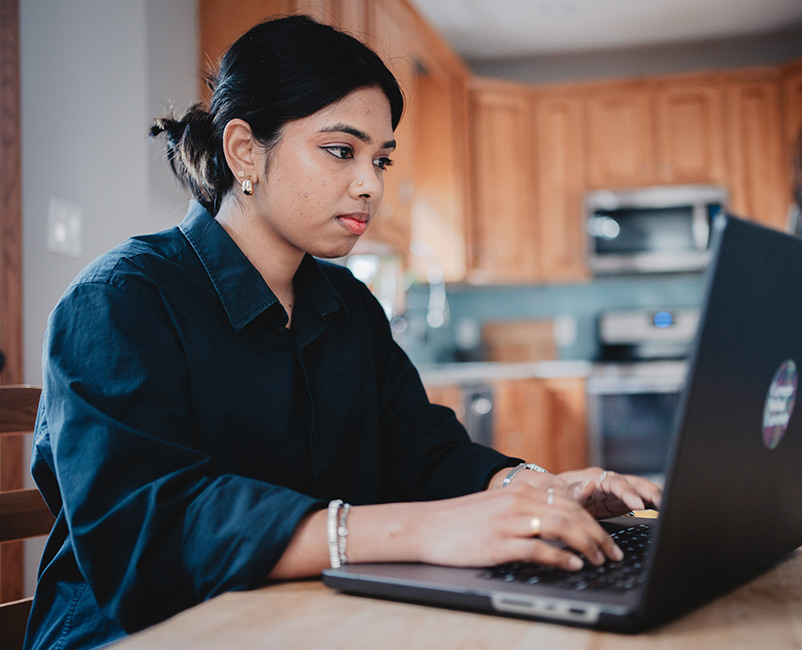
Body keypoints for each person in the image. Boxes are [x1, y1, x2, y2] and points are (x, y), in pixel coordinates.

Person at [24, 15, 661, 650]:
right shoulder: (119, 301)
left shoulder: (346, 303)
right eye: (340, 150)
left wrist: (534, 486)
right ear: (244, 150)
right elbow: (147, 530)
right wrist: (420, 531)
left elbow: (417, 446)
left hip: (302, 621)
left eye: (380, 159)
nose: (371, 185)